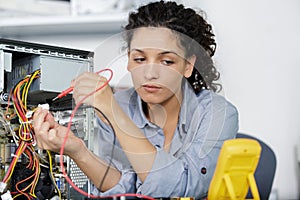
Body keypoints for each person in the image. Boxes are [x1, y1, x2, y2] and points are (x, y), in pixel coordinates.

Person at [33, 1, 239, 199]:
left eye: (167, 61)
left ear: (188, 66)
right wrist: (78, 151)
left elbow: (184, 187)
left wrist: (115, 114)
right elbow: (122, 187)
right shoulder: (120, 104)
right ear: (129, 61)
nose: (149, 73)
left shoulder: (217, 113)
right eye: (139, 59)